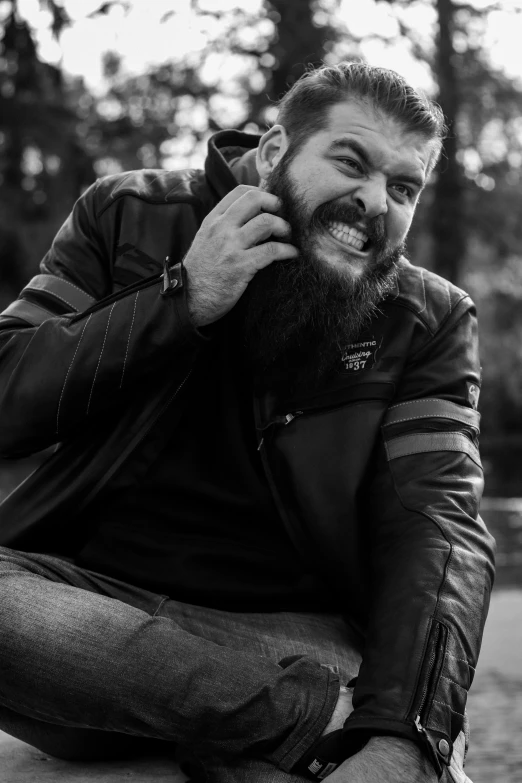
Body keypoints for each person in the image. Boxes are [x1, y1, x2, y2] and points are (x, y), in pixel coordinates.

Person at [0, 62, 494, 783]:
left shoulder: (428, 319)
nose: (374, 201)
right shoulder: (127, 215)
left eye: (403, 187)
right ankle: (294, 721)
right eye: (351, 163)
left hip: (296, 638)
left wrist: (406, 738)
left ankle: (276, 724)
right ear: (272, 154)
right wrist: (183, 298)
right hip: (82, 622)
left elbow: (440, 523)